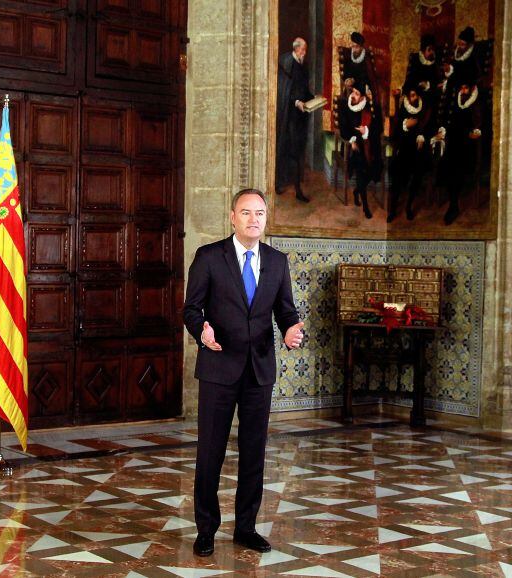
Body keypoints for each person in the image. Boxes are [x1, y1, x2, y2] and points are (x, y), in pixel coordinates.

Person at [183, 188, 304, 558]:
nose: (254, 219)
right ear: (233, 217)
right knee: (210, 452)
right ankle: (206, 530)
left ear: (266, 219)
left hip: (259, 371)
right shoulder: (209, 257)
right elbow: (191, 309)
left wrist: (291, 329)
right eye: (247, 212)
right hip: (218, 367)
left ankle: (246, 528)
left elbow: (285, 310)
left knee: (254, 452)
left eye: (260, 213)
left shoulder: (277, 261)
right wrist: (201, 330)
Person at [434, 73, 483, 225]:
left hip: (468, 144)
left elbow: (480, 124)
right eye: (461, 88)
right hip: (454, 140)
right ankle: (452, 201)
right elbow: (450, 122)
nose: (463, 91)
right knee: (447, 163)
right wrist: (443, 131)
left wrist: (476, 131)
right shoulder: (456, 100)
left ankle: (454, 205)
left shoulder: (476, 102)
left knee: (457, 167)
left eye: (466, 88)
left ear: (472, 88)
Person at [388, 83, 434, 222]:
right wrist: (405, 126)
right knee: (398, 176)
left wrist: (422, 137)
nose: (411, 98)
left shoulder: (424, 108)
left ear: (418, 96)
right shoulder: (403, 107)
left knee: (417, 175)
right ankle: (393, 209)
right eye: (409, 96)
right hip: (404, 148)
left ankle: (408, 206)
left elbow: (428, 127)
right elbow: (396, 130)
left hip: (419, 149)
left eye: (414, 95)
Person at [276, 37, 313, 203]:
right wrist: (297, 101)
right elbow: (284, 91)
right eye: (303, 50)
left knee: (298, 151)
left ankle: (297, 189)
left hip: (300, 116)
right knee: (285, 149)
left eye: (305, 50)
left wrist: (314, 98)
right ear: (297, 49)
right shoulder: (286, 62)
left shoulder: (303, 64)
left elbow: (303, 89)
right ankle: (278, 183)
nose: (305, 53)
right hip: (288, 115)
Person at [339, 81, 382, 219]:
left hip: (368, 144)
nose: (353, 95)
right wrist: (352, 140)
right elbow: (343, 128)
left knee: (373, 169)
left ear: (363, 97)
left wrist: (366, 131)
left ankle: (357, 191)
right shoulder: (345, 106)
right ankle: (366, 207)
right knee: (361, 168)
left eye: (357, 93)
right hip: (353, 146)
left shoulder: (369, 108)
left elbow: (378, 129)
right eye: (353, 92)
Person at [342, 31, 379, 105]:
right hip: (351, 90)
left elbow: (369, 78)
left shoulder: (366, 59)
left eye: (357, 47)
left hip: (363, 89)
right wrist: (348, 79)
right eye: (353, 46)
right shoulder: (348, 57)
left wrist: (355, 81)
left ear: (362, 47)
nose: (354, 49)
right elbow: (345, 72)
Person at [403, 34, 439, 103]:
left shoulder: (434, 63)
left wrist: (427, 84)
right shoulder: (415, 60)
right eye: (429, 50)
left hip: (429, 95)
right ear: (423, 51)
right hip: (416, 94)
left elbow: (436, 81)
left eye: (433, 50)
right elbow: (410, 79)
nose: (432, 52)